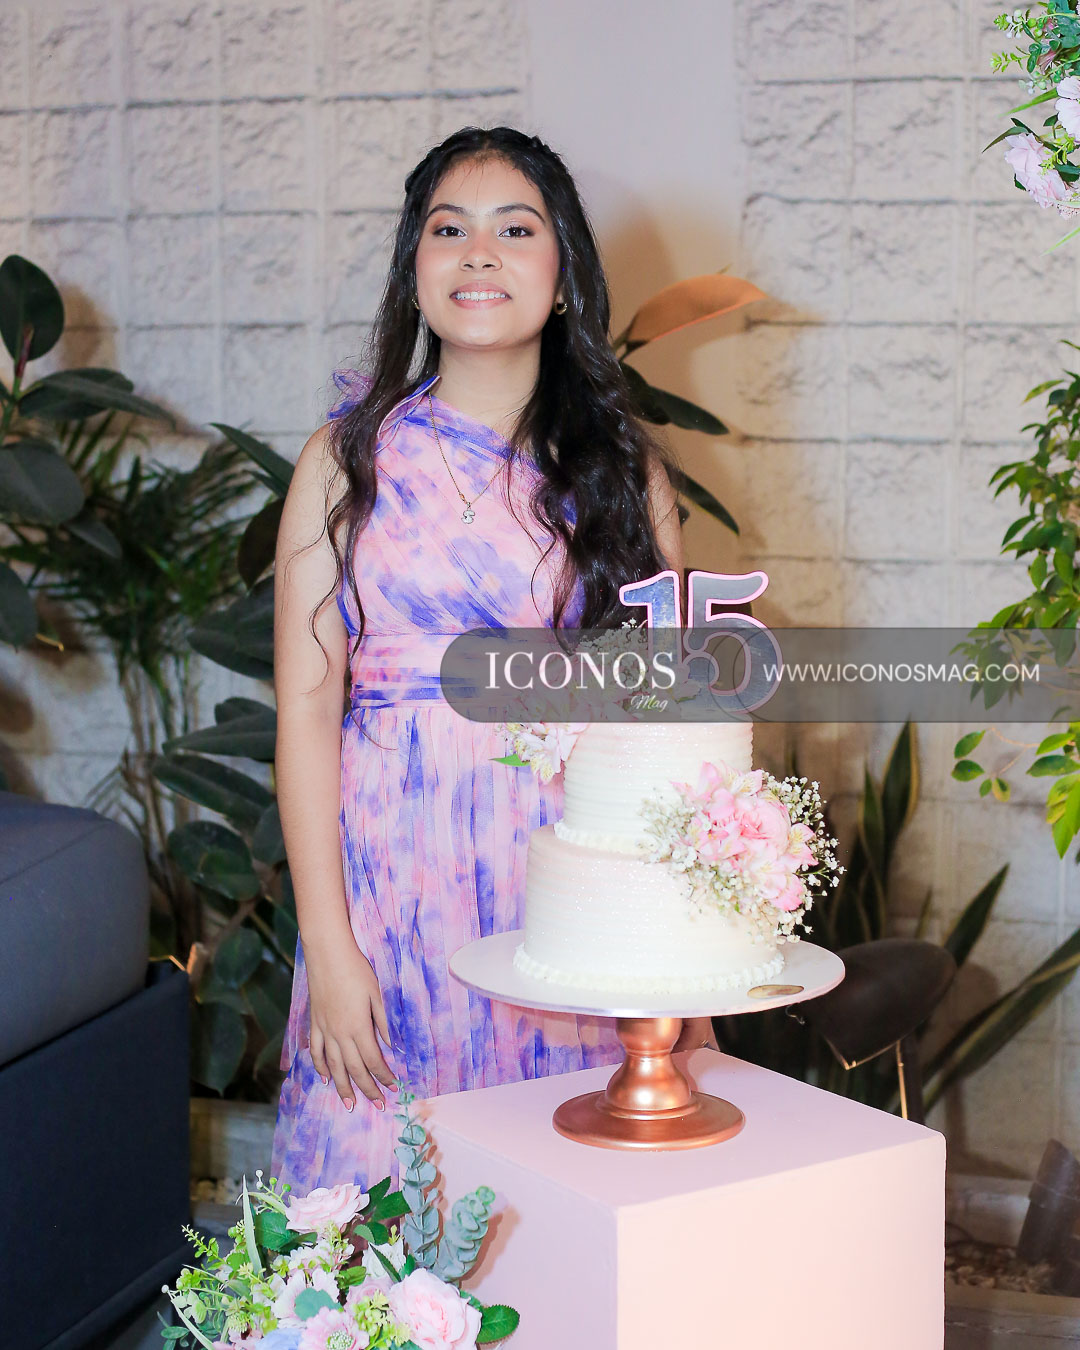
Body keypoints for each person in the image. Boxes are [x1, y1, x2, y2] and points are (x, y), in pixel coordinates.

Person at [270, 125, 713, 1194]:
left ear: (563, 277)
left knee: (572, 1197)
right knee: (379, 1203)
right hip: (388, 895)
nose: (478, 253)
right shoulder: (343, 462)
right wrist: (329, 948)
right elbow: (306, 710)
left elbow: (670, 727)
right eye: (448, 230)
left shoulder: (623, 475)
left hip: (570, 897)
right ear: (414, 271)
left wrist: (683, 949)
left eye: (516, 230)